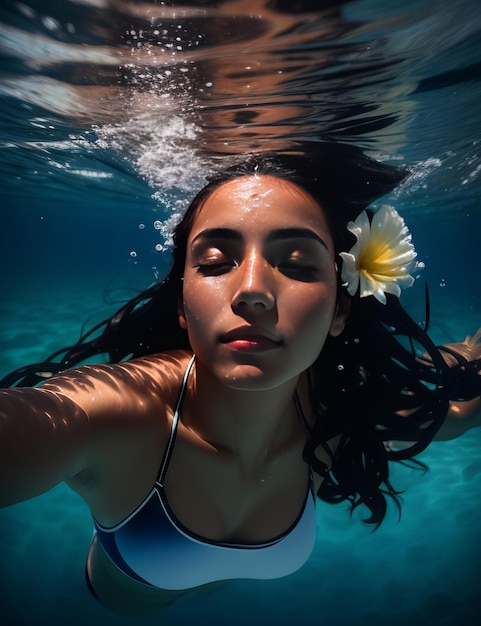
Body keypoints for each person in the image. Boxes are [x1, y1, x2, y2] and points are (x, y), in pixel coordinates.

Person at [1, 143, 480, 617]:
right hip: (125, 599)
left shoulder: (339, 408)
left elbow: (442, 412)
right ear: (182, 307)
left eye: (295, 264)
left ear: (340, 309)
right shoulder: (117, 416)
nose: (252, 290)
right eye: (213, 263)